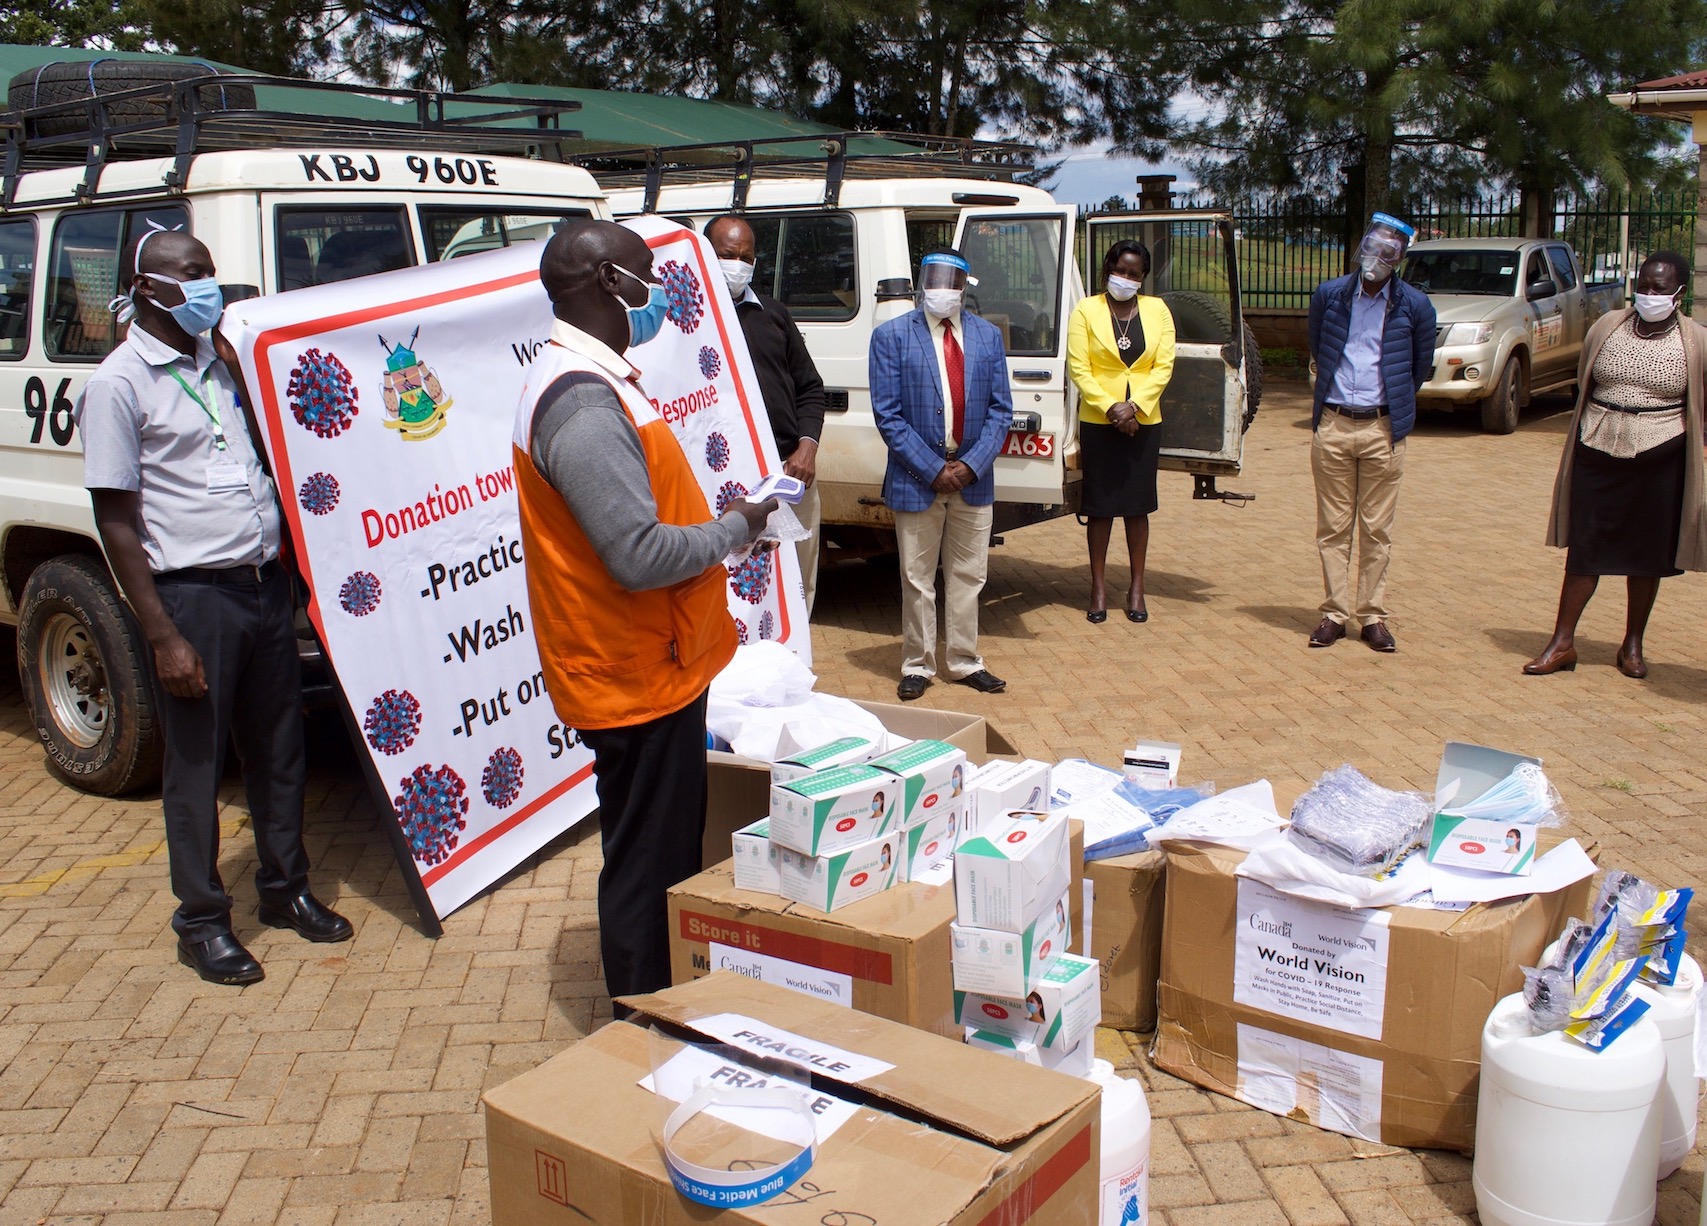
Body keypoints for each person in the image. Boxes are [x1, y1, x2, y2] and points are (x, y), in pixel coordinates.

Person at [75, 227, 352, 986]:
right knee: (196, 767)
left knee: (280, 750)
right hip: (193, 599)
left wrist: (237, 364)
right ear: (149, 289)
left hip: (262, 587)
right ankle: (201, 921)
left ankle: (284, 889)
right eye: (193, 276)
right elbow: (117, 521)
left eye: (209, 273)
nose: (209, 288)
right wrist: (161, 634)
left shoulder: (220, 365)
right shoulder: (120, 382)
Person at [511, 220, 776, 1009]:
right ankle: (640, 1020)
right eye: (645, 275)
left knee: (659, 851)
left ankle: (660, 1003)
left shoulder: (598, 378)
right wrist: (739, 527)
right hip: (632, 672)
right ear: (605, 283)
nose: (657, 291)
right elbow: (634, 556)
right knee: (644, 865)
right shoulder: (578, 402)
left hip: (656, 662)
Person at [1525, 251, 1707, 678]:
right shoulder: (1609, 326)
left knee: (1646, 554)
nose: (1648, 294)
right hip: (1598, 450)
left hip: (1661, 456)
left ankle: (1632, 646)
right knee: (1585, 548)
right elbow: (1586, 378)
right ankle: (1562, 643)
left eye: (1659, 289)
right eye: (1643, 285)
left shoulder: (1695, 341)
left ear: (1679, 293)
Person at [870, 247, 1014, 701]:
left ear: (964, 288)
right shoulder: (891, 336)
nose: (940, 289)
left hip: (973, 477)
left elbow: (1000, 410)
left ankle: (965, 661)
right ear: (920, 282)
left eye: (950, 281)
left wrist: (969, 466)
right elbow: (888, 415)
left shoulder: (988, 337)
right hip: (918, 478)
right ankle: (918, 664)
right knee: (916, 578)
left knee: (969, 576)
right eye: (932, 279)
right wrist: (934, 469)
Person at [1306, 212, 1437, 653]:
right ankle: (1333, 614)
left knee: (1377, 530)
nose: (1376, 258)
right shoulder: (1330, 296)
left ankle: (1373, 616)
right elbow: (1318, 348)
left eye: (1388, 251)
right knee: (1333, 528)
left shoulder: (1415, 306)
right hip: (1335, 424)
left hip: (1383, 427)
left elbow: (1416, 368)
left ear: (1399, 258)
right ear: (1361, 246)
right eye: (1371, 246)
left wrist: (1393, 408)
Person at [705, 215, 829, 613]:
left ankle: (794, 667)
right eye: (727, 255)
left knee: (796, 584)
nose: (737, 264)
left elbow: (810, 388)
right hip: (725, 481)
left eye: (746, 257)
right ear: (706, 255)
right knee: (735, 588)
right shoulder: (690, 321)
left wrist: (807, 446)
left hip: (788, 474)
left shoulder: (774, 315)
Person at [1066, 239, 1177, 623]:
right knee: (1100, 507)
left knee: (1137, 506)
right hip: (1100, 420)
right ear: (1108, 267)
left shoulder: (1157, 310)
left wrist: (1134, 406)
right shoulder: (1086, 310)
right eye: (1121, 270)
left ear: (1143, 277)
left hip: (1143, 421)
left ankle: (1136, 587)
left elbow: (1163, 365)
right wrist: (1112, 406)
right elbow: (1079, 367)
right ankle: (1098, 588)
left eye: (1135, 274)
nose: (1126, 278)